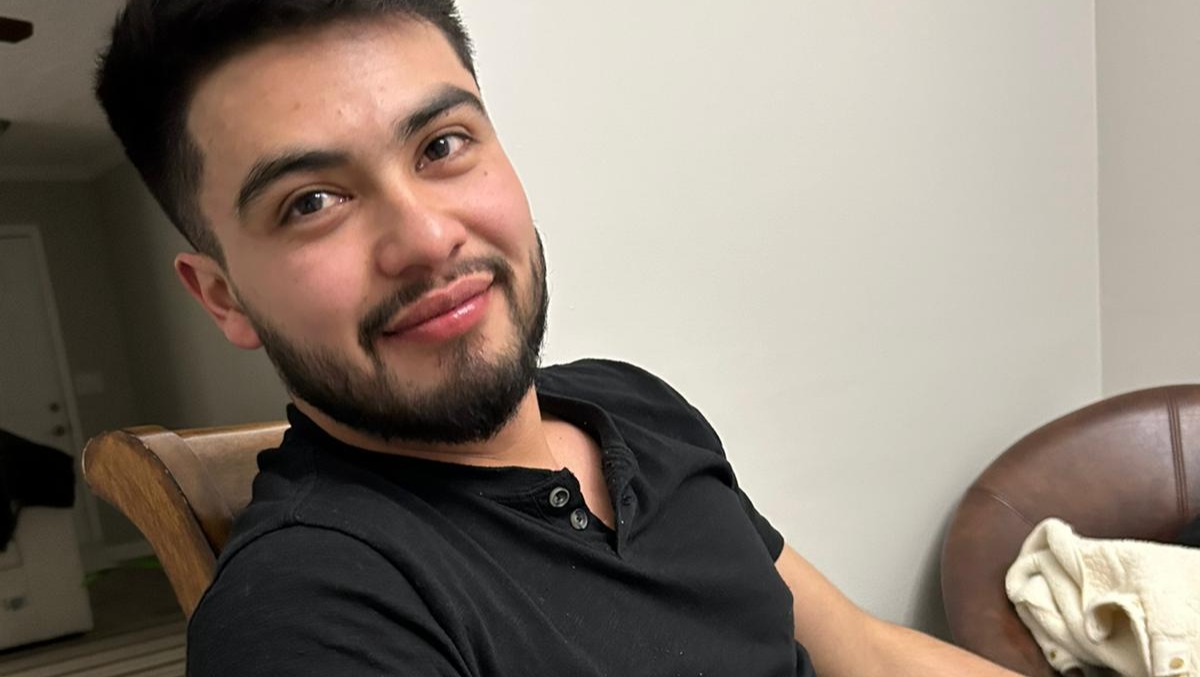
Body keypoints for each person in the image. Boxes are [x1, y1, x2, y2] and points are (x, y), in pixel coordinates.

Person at [95, 2, 1019, 675]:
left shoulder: (634, 406)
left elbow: (867, 652)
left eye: (441, 145)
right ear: (223, 297)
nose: (427, 238)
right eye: (312, 202)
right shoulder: (312, 614)